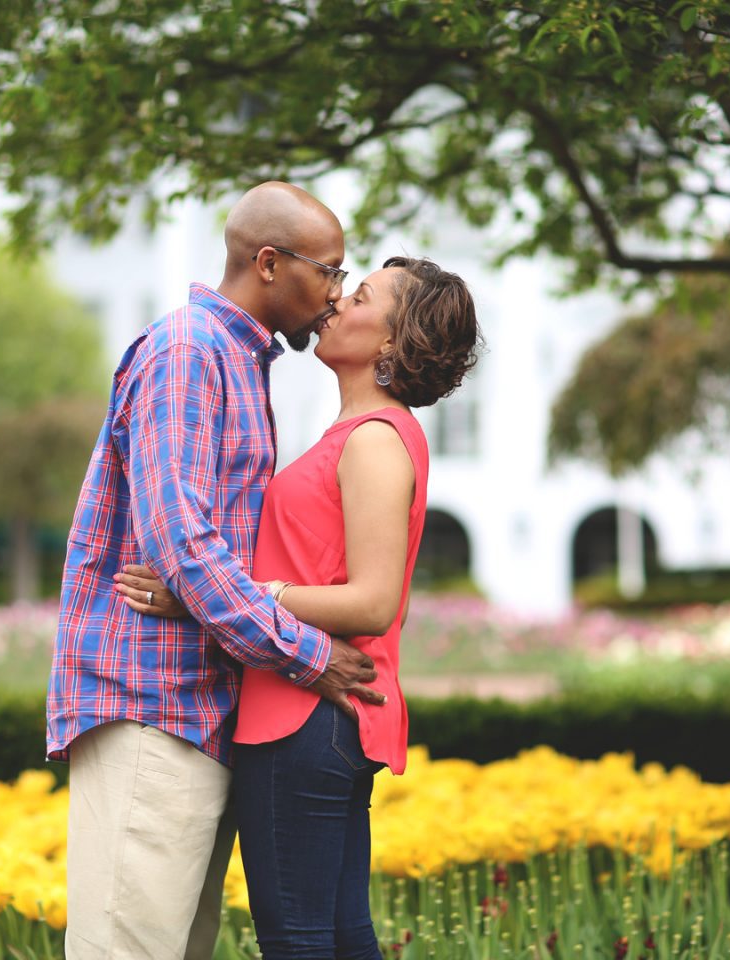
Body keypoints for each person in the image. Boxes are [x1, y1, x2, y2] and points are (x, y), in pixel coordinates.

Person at [47, 181, 387, 960]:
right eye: (328, 272)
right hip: (149, 706)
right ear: (269, 263)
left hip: (195, 710)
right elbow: (186, 545)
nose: (335, 294)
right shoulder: (189, 351)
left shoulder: (237, 358)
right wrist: (310, 656)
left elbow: (205, 558)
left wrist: (215, 598)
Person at [115, 256, 481, 958]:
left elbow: (377, 603)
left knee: (298, 940)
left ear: (392, 342)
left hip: (302, 718)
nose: (338, 300)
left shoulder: (374, 440)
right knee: (339, 936)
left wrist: (226, 597)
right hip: (316, 719)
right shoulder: (360, 434)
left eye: (362, 295)